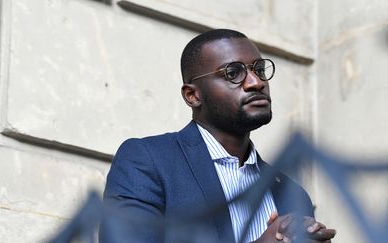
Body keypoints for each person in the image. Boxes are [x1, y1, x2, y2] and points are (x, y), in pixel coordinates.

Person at [102, 29, 336, 243]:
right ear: (193, 95)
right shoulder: (148, 161)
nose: (256, 82)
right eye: (233, 73)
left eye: (259, 70)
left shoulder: (292, 193)